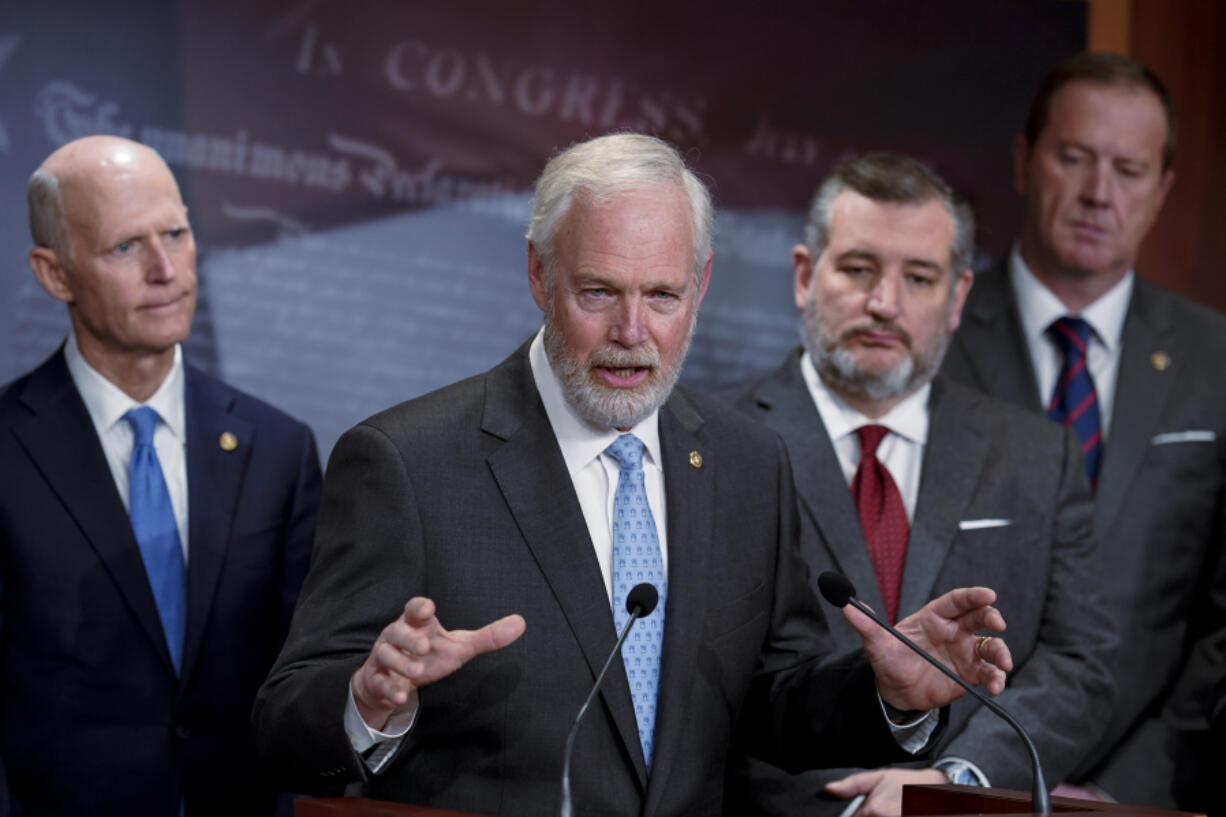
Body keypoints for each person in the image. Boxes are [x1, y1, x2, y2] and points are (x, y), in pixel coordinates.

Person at [253, 133, 1016, 817]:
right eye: (599, 292)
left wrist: (885, 691)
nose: (632, 333)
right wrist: (368, 700)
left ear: (702, 286)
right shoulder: (406, 462)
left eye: (662, 296)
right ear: (538, 275)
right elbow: (285, 720)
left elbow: (769, 705)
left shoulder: (747, 460)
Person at [722, 153, 1117, 817]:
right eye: (857, 269)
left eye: (920, 277)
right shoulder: (712, 443)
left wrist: (959, 780)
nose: (885, 303)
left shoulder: (1035, 455)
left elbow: (1080, 664)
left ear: (958, 296)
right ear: (802, 275)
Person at [0, 135, 322, 816]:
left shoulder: (280, 449)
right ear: (54, 274)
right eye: (125, 247)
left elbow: (301, 679)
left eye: (176, 233)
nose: (165, 268)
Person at [939, 52, 1226, 809]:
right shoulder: (933, 338)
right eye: (1075, 158)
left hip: (1146, 790)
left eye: (1129, 171)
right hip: (957, 783)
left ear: (1162, 192)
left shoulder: (1215, 361)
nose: (1101, 194)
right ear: (1025, 161)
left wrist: (1127, 786)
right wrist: (979, 774)